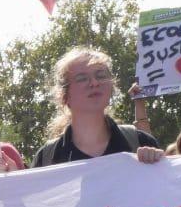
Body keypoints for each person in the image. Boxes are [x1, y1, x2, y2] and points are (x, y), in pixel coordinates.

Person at [32, 48, 163, 167]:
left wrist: (157, 166)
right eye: (82, 78)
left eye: (100, 76)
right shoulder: (46, 158)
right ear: (64, 96)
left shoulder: (141, 142)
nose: (94, 83)